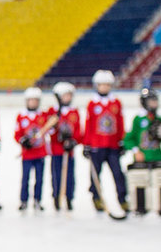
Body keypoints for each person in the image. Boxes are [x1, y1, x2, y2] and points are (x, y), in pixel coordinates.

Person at [123, 87, 161, 216]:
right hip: (143, 156)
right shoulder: (138, 119)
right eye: (151, 101)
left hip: (158, 155)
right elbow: (128, 139)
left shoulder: (159, 118)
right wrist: (136, 151)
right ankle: (140, 207)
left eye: (155, 101)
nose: (154, 104)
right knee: (140, 181)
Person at [83, 69, 128, 214]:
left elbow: (120, 122)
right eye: (102, 85)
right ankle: (97, 198)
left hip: (113, 145)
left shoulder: (116, 102)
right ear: (97, 86)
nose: (104, 87)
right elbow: (89, 125)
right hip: (97, 146)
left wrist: (122, 141)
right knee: (95, 174)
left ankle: (122, 199)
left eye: (107, 85)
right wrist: (87, 144)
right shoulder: (92, 103)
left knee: (118, 174)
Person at [48, 82, 81, 212]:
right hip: (56, 150)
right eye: (64, 95)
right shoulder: (53, 111)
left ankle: (69, 197)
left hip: (69, 151)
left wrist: (73, 141)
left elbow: (78, 130)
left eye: (69, 95)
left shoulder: (74, 111)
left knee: (70, 175)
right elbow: (48, 130)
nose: (67, 98)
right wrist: (55, 129)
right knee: (56, 175)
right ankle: (57, 196)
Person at [15, 87, 49, 211]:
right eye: (31, 100)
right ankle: (23, 200)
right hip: (27, 154)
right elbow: (17, 133)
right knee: (25, 178)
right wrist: (23, 141)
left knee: (39, 179)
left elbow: (50, 128)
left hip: (40, 153)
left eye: (35, 100)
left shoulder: (43, 115)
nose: (33, 103)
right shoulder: (22, 116)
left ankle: (37, 200)